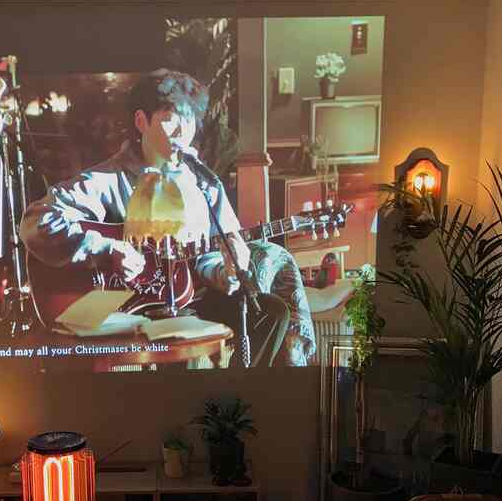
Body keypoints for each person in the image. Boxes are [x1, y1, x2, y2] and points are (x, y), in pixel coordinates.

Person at [20, 68, 315, 367]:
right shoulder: (106, 180)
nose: (182, 131)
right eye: (170, 118)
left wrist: (228, 270)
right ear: (141, 122)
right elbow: (35, 222)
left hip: (186, 300)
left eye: (189, 119)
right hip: (125, 305)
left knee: (271, 312)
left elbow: (209, 260)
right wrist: (106, 248)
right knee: (175, 338)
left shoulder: (204, 183)